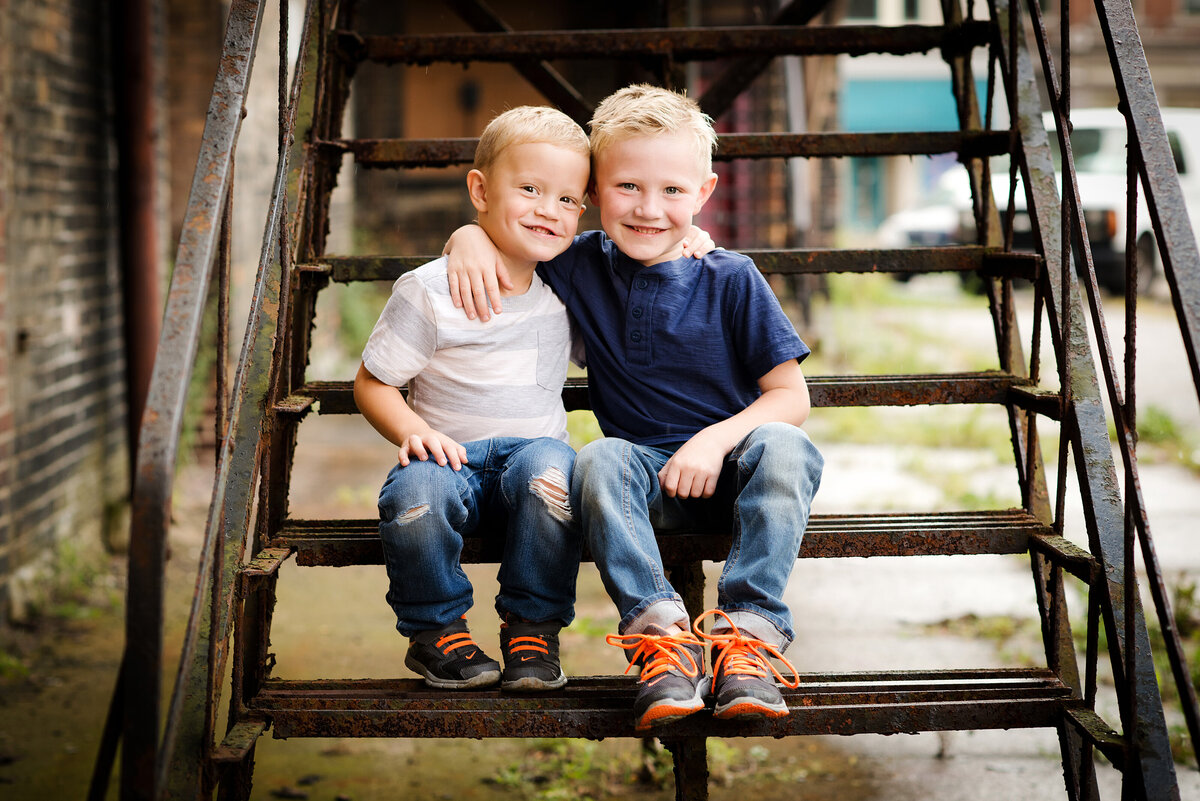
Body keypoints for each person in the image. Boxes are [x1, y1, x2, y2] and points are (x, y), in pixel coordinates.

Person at [443, 84, 824, 730]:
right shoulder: (581, 265)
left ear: (703, 194)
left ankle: (748, 640)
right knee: (596, 459)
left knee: (787, 445)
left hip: (734, 471)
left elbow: (791, 397)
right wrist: (467, 238)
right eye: (628, 188)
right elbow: (513, 237)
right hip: (642, 482)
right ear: (593, 191)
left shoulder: (731, 277)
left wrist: (714, 441)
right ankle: (662, 641)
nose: (650, 209)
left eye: (673, 191)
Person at [354, 106, 593, 693]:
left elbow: (646, 262)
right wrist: (412, 431)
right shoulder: (430, 291)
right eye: (530, 189)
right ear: (480, 190)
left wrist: (689, 235)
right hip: (450, 460)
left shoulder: (570, 283)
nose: (548, 209)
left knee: (553, 470)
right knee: (415, 492)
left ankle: (533, 629)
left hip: (531, 466)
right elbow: (373, 381)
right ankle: (437, 633)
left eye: (568, 200)